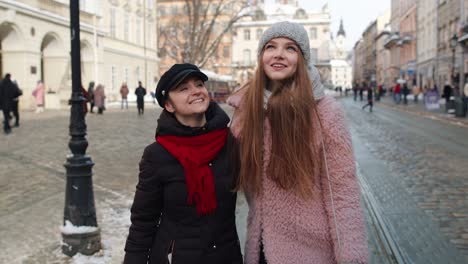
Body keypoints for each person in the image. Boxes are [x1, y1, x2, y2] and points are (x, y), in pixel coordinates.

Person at [227, 21, 368, 264]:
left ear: (302, 59)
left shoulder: (324, 113)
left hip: (309, 253)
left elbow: (342, 194)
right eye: (270, 47)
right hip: (259, 248)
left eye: (290, 48)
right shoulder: (246, 110)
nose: (279, 54)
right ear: (261, 57)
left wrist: (351, 257)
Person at [124, 63, 243, 264]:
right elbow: (143, 222)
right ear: (169, 105)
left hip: (226, 255)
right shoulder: (157, 155)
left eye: (199, 84)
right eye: (183, 89)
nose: (195, 91)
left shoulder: (231, 143)